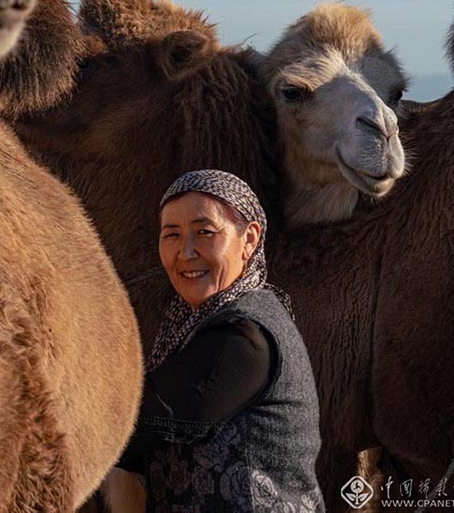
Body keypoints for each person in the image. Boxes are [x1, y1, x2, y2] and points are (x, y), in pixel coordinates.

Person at [118, 169, 324, 512]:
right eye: (171, 235)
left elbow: (142, 423)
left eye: (205, 232)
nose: (185, 252)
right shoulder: (195, 321)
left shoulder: (245, 336)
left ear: (250, 239)